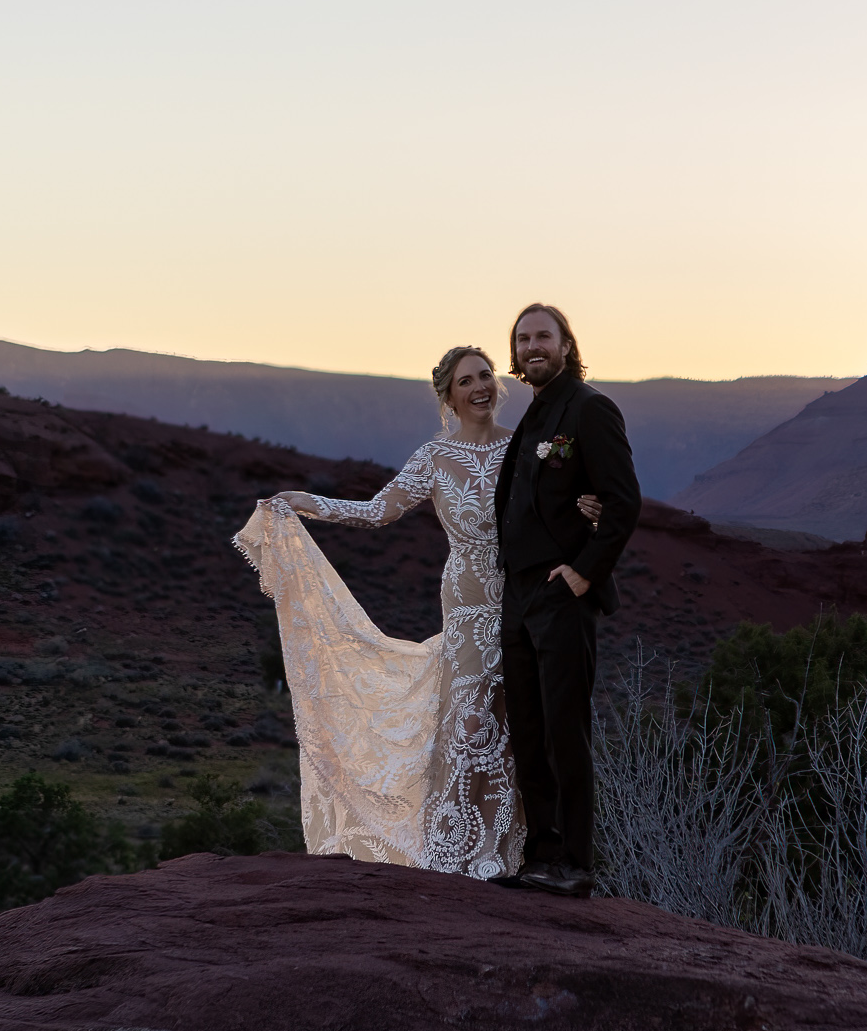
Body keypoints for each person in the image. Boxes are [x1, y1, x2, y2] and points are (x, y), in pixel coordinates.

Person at [234, 345, 599, 878]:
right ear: (448, 397)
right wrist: (313, 504)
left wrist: (590, 509)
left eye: (486, 376)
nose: (480, 387)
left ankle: (514, 855)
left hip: (525, 603)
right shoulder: (433, 458)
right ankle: (450, 852)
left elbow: (558, 509)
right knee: (470, 723)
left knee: (522, 726)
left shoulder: (525, 447)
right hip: (470, 607)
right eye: (466, 381)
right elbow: (379, 511)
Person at [493, 303, 641, 899]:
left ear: (566, 344)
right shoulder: (534, 416)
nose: (533, 346)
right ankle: (541, 856)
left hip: (560, 593)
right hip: (518, 594)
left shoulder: (589, 408)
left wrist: (581, 575)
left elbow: (624, 503)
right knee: (527, 731)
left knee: (564, 730)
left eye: (543, 337)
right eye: (523, 338)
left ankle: (576, 864)